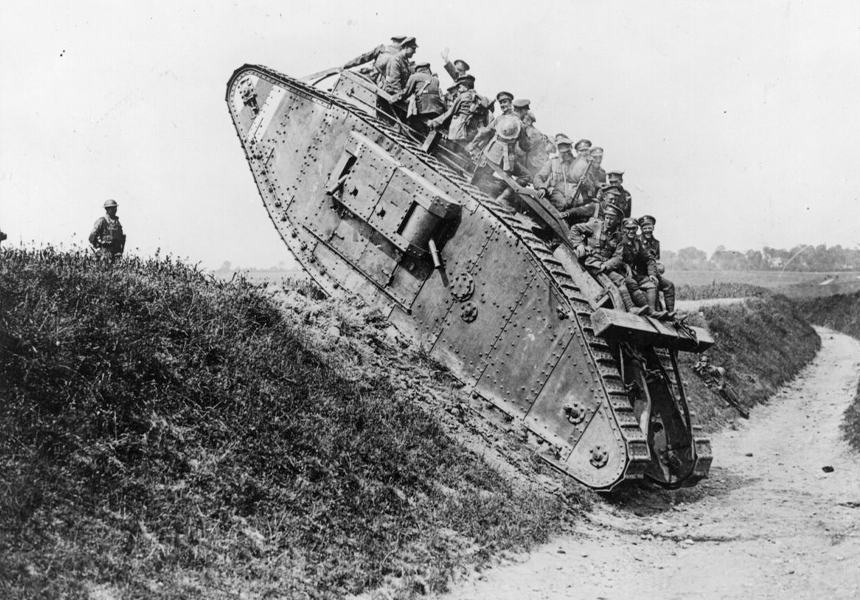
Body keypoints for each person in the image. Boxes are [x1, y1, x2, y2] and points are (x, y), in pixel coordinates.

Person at [533, 136, 598, 222]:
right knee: (562, 205)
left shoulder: (579, 163)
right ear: (559, 151)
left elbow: (591, 186)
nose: (566, 154)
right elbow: (538, 177)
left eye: (568, 151)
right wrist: (542, 187)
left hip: (575, 200)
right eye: (563, 152)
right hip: (555, 199)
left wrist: (585, 182)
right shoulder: (553, 162)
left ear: (571, 149)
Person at [618, 217, 664, 317]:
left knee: (652, 284)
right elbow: (613, 257)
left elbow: (649, 258)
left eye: (634, 228)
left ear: (637, 229)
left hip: (632, 274)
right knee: (631, 283)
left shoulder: (637, 243)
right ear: (624, 229)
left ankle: (652, 312)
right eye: (628, 228)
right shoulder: (619, 240)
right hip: (619, 272)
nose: (631, 231)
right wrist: (624, 265)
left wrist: (652, 274)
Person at [638, 214, 676, 317]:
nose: (647, 230)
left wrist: (659, 266)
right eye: (645, 228)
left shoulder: (656, 243)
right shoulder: (637, 241)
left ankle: (671, 313)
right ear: (641, 229)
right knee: (654, 284)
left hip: (653, 272)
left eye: (649, 227)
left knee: (669, 285)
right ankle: (655, 311)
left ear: (653, 227)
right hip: (641, 273)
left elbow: (656, 259)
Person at [428, 74, 484, 143]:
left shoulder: (463, 96)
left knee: (449, 146)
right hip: (468, 129)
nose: (459, 90)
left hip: (457, 126)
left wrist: (434, 121)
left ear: (466, 86)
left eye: (460, 87)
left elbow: (450, 112)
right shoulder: (475, 97)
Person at [403, 62, 446, 129]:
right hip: (437, 111)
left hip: (423, 109)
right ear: (428, 70)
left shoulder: (415, 76)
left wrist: (394, 98)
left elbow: (405, 93)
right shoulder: (435, 80)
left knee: (410, 123)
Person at [341, 36, 407, 77]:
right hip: (383, 87)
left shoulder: (382, 48)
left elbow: (364, 58)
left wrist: (346, 65)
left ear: (393, 41)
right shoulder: (403, 58)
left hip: (370, 76)